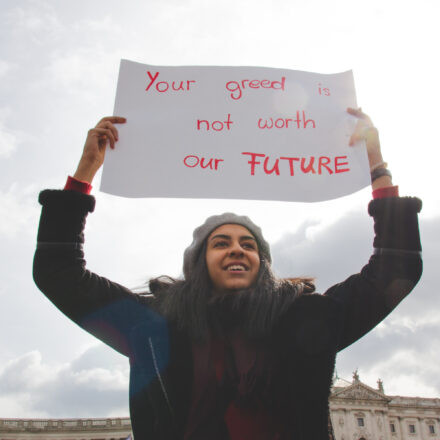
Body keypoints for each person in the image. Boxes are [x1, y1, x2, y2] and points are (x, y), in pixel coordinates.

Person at [33, 108, 422, 440]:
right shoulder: (153, 325)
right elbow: (59, 274)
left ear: (263, 263)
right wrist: (84, 174)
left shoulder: (308, 318)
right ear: (198, 263)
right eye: (220, 243)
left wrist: (377, 166)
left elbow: (394, 270)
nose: (237, 248)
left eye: (249, 244)